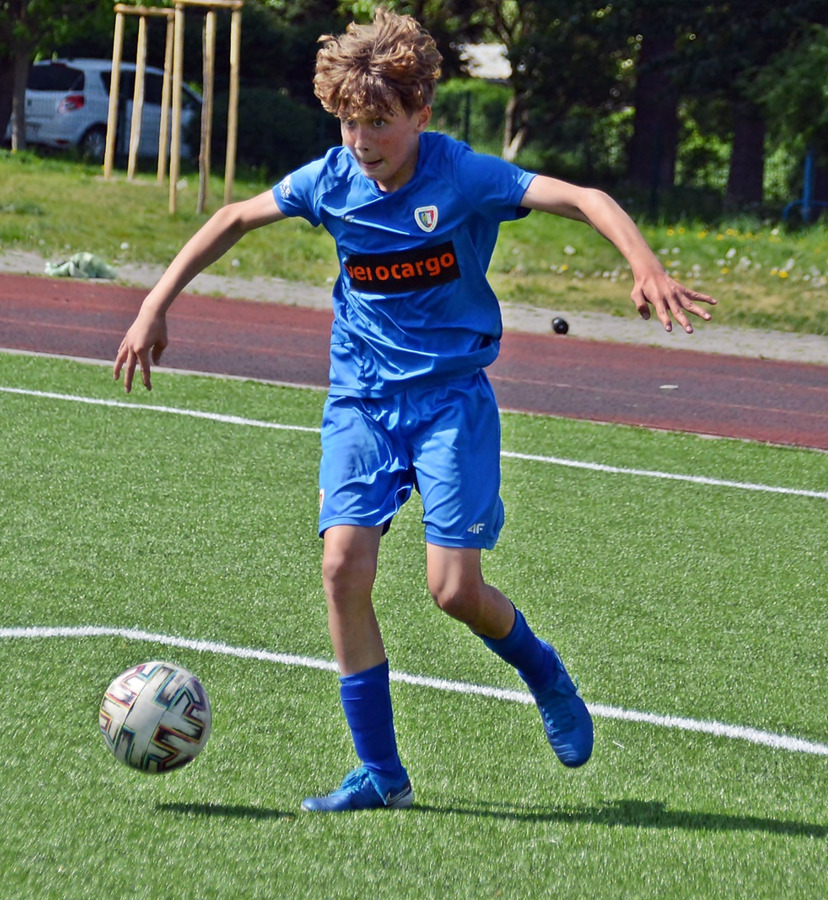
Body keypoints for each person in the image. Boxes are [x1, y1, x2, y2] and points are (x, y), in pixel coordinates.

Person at [114, 9, 715, 813]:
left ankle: (544, 672)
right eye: (349, 122)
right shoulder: (332, 180)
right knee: (341, 568)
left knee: (454, 590)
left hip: (450, 402)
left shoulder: (461, 175)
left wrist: (644, 264)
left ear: (421, 114)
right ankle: (382, 775)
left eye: (380, 124)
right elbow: (232, 218)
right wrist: (153, 306)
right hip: (361, 400)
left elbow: (584, 197)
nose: (362, 141)